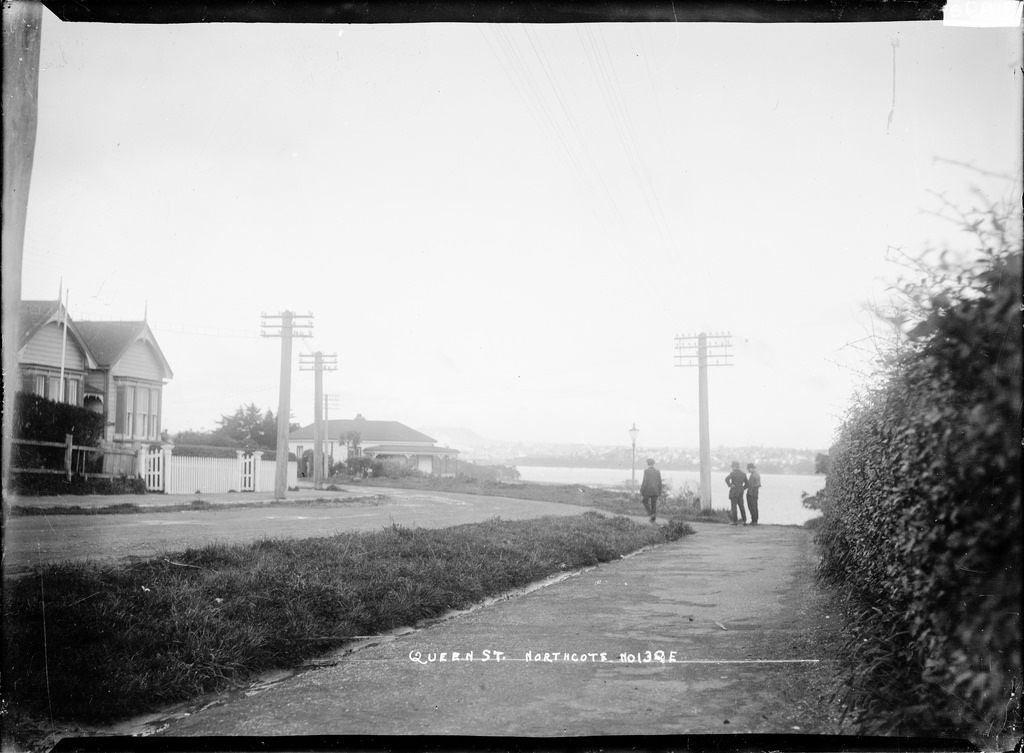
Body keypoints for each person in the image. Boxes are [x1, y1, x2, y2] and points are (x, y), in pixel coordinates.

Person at [639, 458, 662, 523]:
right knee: (653, 504)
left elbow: (645, 481)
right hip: (656, 490)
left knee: (644, 501)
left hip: (648, 490)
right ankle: (653, 517)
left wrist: (641, 490)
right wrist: (660, 492)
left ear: (648, 463)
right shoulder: (657, 471)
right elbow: (660, 482)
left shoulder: (646, 471)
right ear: (653, 463)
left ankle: (651, 514)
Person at [725, 461, 748, 525]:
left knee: (734, 507)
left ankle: (735, 521)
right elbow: (747, 484)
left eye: (732, 467)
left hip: (734, 491)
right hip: (741, 491)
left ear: (734, 467)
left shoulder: (733, 473)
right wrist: (743, 488)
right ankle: (744, 521)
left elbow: (726, 479)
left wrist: (730, 485)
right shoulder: (743, 474)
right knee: (741, 506)